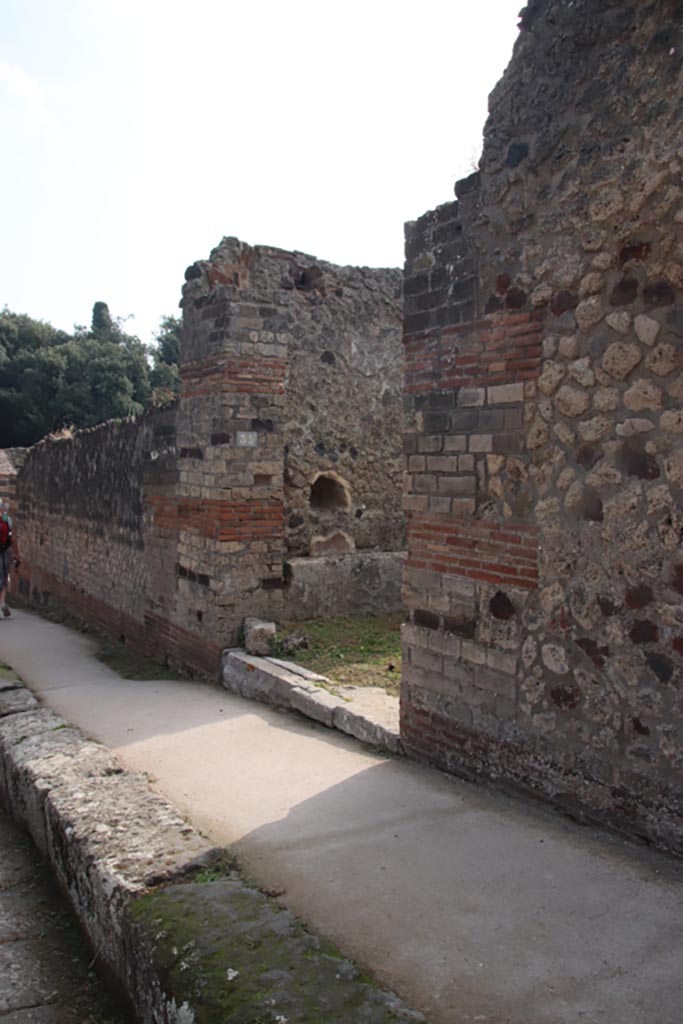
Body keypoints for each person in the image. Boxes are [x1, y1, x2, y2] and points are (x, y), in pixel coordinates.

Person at [0, 499, 17, 619]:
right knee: (3, 576)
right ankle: (2, 602)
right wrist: (17, 554)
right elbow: (12, 539)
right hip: (4, 551)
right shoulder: (7, 520)